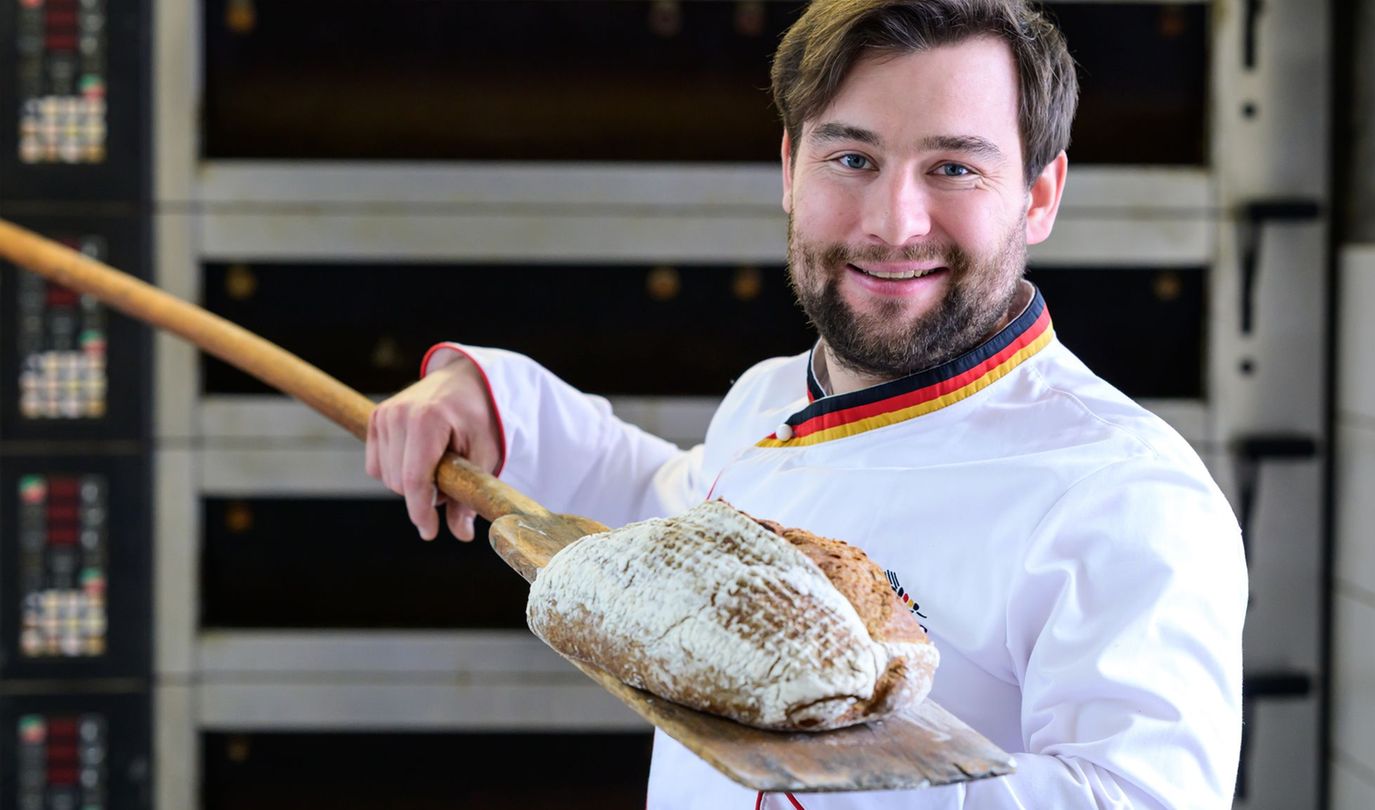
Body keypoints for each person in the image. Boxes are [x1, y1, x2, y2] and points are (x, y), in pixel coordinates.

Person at [365, 0, 1247, 807]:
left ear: (1040, 194)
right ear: (791, 169)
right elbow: (660, 527)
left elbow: (1136, 797)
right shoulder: (772, 397)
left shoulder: (1126, 494)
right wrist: (494, 402)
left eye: (952, 168)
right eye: (852, 158)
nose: (893, 223)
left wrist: (841, 778)